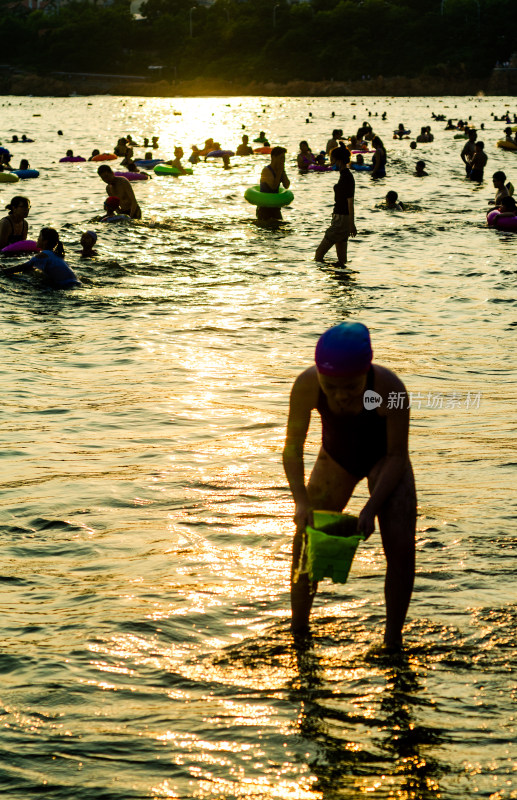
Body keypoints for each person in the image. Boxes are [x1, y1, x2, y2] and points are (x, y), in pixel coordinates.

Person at [283, 321, 417, 648]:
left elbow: (398, 455)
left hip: (384, 460)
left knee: (401, 546)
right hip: (336, 457)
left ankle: (392, 640)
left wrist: (371, 508)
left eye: (351, 387)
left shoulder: (391, 390)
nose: (340, 396)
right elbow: (292, 448)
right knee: (307, 540)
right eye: (331, 387)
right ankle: (299, 631)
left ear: (366, 372)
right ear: (318, 375)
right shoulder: (306, 385)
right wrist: (300, 501)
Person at [314, 143, 356, 267]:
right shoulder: (344, 175)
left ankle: (327, 279)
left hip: (341, 221)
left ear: (339, 160)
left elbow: (350, 202)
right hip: (341, 219)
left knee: (319, 254)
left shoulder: (347, 177)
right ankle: (342, 281)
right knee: (342, 260)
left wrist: (351, 224)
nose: (331, 163)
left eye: (332, 160)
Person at [2, 227, 81, 288]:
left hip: (66, 285)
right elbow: (30, 268)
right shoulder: (55, 254)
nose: (37, 239)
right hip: (75, 282)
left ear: (45, 241)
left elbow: (23, 267)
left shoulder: (43, 255)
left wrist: (3, 271)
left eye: (39, 237)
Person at [256, 146, 290, 222]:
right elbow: (273, 187)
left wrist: (283, 172)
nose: (283, 161)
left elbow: (287, 185)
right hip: (264, 209)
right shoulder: (266, 170)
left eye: (284, 158)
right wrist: (279, 173)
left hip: (275, 208)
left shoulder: (280, 170)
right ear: (274, 157)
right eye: (281, 158)